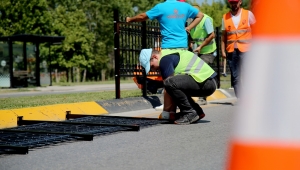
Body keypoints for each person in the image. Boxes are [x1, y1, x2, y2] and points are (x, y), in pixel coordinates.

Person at [127, 0, 204, 112]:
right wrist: (188, 28)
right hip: (183, 48)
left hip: (169, 49)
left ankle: (169, 110)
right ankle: (191, 109)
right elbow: (200, 15)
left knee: (168, 81)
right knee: (179, 81)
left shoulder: (161, 7)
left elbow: (143, 16)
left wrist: (130, 19)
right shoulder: (185, 6)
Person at [139, 48, 217, 125]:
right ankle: (196, 111)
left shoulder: (164, 60)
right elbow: (173, 91)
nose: (153, 70)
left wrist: (166, 112)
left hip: (206, 83)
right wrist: (172, 113)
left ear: (155, 57)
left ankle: (190, 112)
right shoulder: (167, 54)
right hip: (207, 83)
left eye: (152, 66)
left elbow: (168, 87)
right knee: (173, 84)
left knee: (169, 83)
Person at [221, 0, 256, 99]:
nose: (234, 4)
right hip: (232, 51)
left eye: (235, 2)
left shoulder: (248, 14)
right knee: (235, 77)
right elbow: (223, 36)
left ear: (240, 2)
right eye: (232, 2)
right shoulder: (225, 17)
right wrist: (223, 51)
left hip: (247, 50)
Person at [189, 13, 217, 105]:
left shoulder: (206, 20)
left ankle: (203, 97)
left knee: (201, 70)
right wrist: (191, 43)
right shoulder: (190, 20)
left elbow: (212, 35)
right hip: (198, 51)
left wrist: (200, 46)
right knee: (192, 71)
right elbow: (192, 36)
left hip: (208, 50)